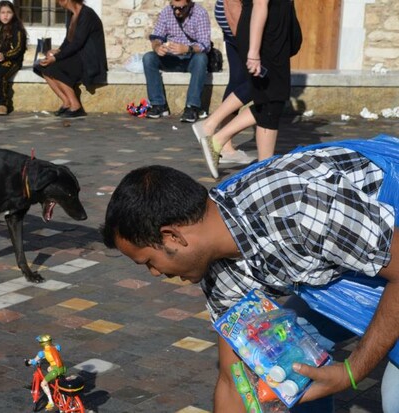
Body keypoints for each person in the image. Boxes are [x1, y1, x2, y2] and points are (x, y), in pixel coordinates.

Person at [101, 135, 399, 412]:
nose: (154, 273)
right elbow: (234, 379)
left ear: (172, 237)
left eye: (149, 262)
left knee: (394, 396)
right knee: (284, 365)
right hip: (358, 259)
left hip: (391, 251)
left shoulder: (294, 208)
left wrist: (352, 371)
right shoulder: (218, 271)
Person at [194, 0, 295, 178]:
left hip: (273, 32)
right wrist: (253, 52)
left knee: (272, 100)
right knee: (269, 99)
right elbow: (259, 5)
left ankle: (263, 167)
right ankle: (259, 166)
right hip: (266, 36)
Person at [199, 0, 255, 165]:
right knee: (259, 82)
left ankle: (225, 146)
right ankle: (211, 126)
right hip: (237, 15)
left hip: (234, 14)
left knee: (238, 79)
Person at [33, 0, 107, 119]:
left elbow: (77, 43)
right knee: (41, 66)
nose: (58, 3)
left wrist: (56, 58)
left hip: (89, 60)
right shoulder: (71, 14)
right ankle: (66, 102)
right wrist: (58, 51)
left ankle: (76, 106)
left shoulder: (87, 15)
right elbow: (69, 40)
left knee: (54, 67)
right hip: (77, 55)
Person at [143, 0, 210, 123]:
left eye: (181, 8)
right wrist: (157, 47)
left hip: (190, 58)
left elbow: (205, 45)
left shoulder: (200, 13)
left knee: (201, 58)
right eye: (174, 7)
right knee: (148, 58)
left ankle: (192, 107)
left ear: (189, 4)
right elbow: (156, 37)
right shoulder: (166, 12)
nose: (177, 11)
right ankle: (158, 105)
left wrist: (187, 49)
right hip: (170, 57)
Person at [26, 334, 67, 411]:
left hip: (55, 371)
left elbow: (34, 361)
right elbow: (58, 346)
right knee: (50, 370)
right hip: (63, 368)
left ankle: (51, 401)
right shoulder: (56, 347)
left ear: (42, 343)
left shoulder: (42, 353)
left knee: (43, 384)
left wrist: (29, 362)